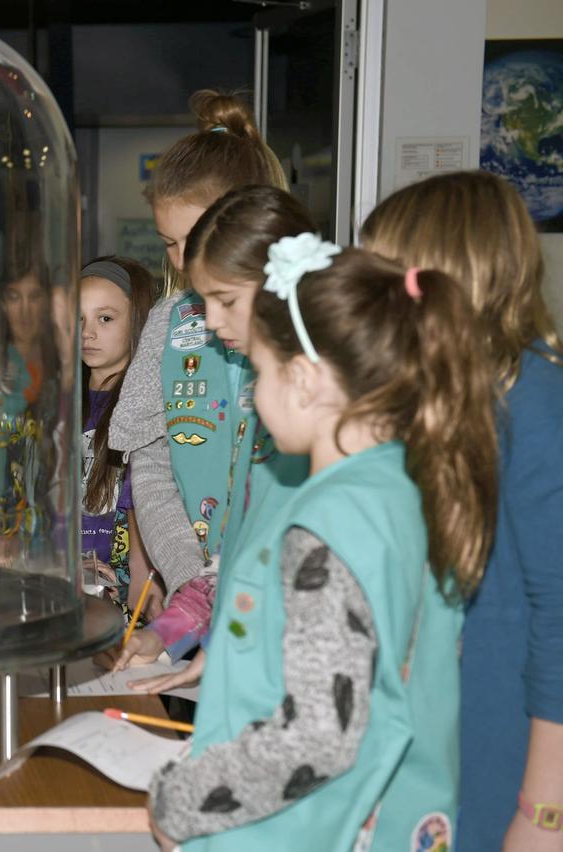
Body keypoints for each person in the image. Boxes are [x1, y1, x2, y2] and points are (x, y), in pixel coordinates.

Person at [144, 235, 497, 850]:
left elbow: (315, 736)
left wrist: (182, 800)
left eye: (261, 371)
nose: (253, 394)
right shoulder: (413, 485)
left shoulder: (330, 519)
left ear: (303, 381)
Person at [360, 170, 563, 851]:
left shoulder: (533, 402)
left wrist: (542, 814)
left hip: (510, 756)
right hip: (450, 738)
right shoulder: (444, 401)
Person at [106, 90, 306, 667]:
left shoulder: (311, 347)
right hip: (203, 601)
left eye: (193, 241)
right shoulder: (170, 323)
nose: (180, 261)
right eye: (168, 244)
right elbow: (150, 462)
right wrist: (192, 582)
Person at [77, 257, 156, 612]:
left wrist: (129, 578)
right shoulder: (57, 401)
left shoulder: (150, 406)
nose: (87, 332)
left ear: (137, 322)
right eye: (78, 318)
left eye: (105, 319)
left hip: (126, 592)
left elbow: (147, 502)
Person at [0, 255, 58, 563]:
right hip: (0, 527)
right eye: (13, 297)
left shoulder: (61, 361)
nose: (24, 311)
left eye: (34, 297)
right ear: (1, 302)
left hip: (51, 523)